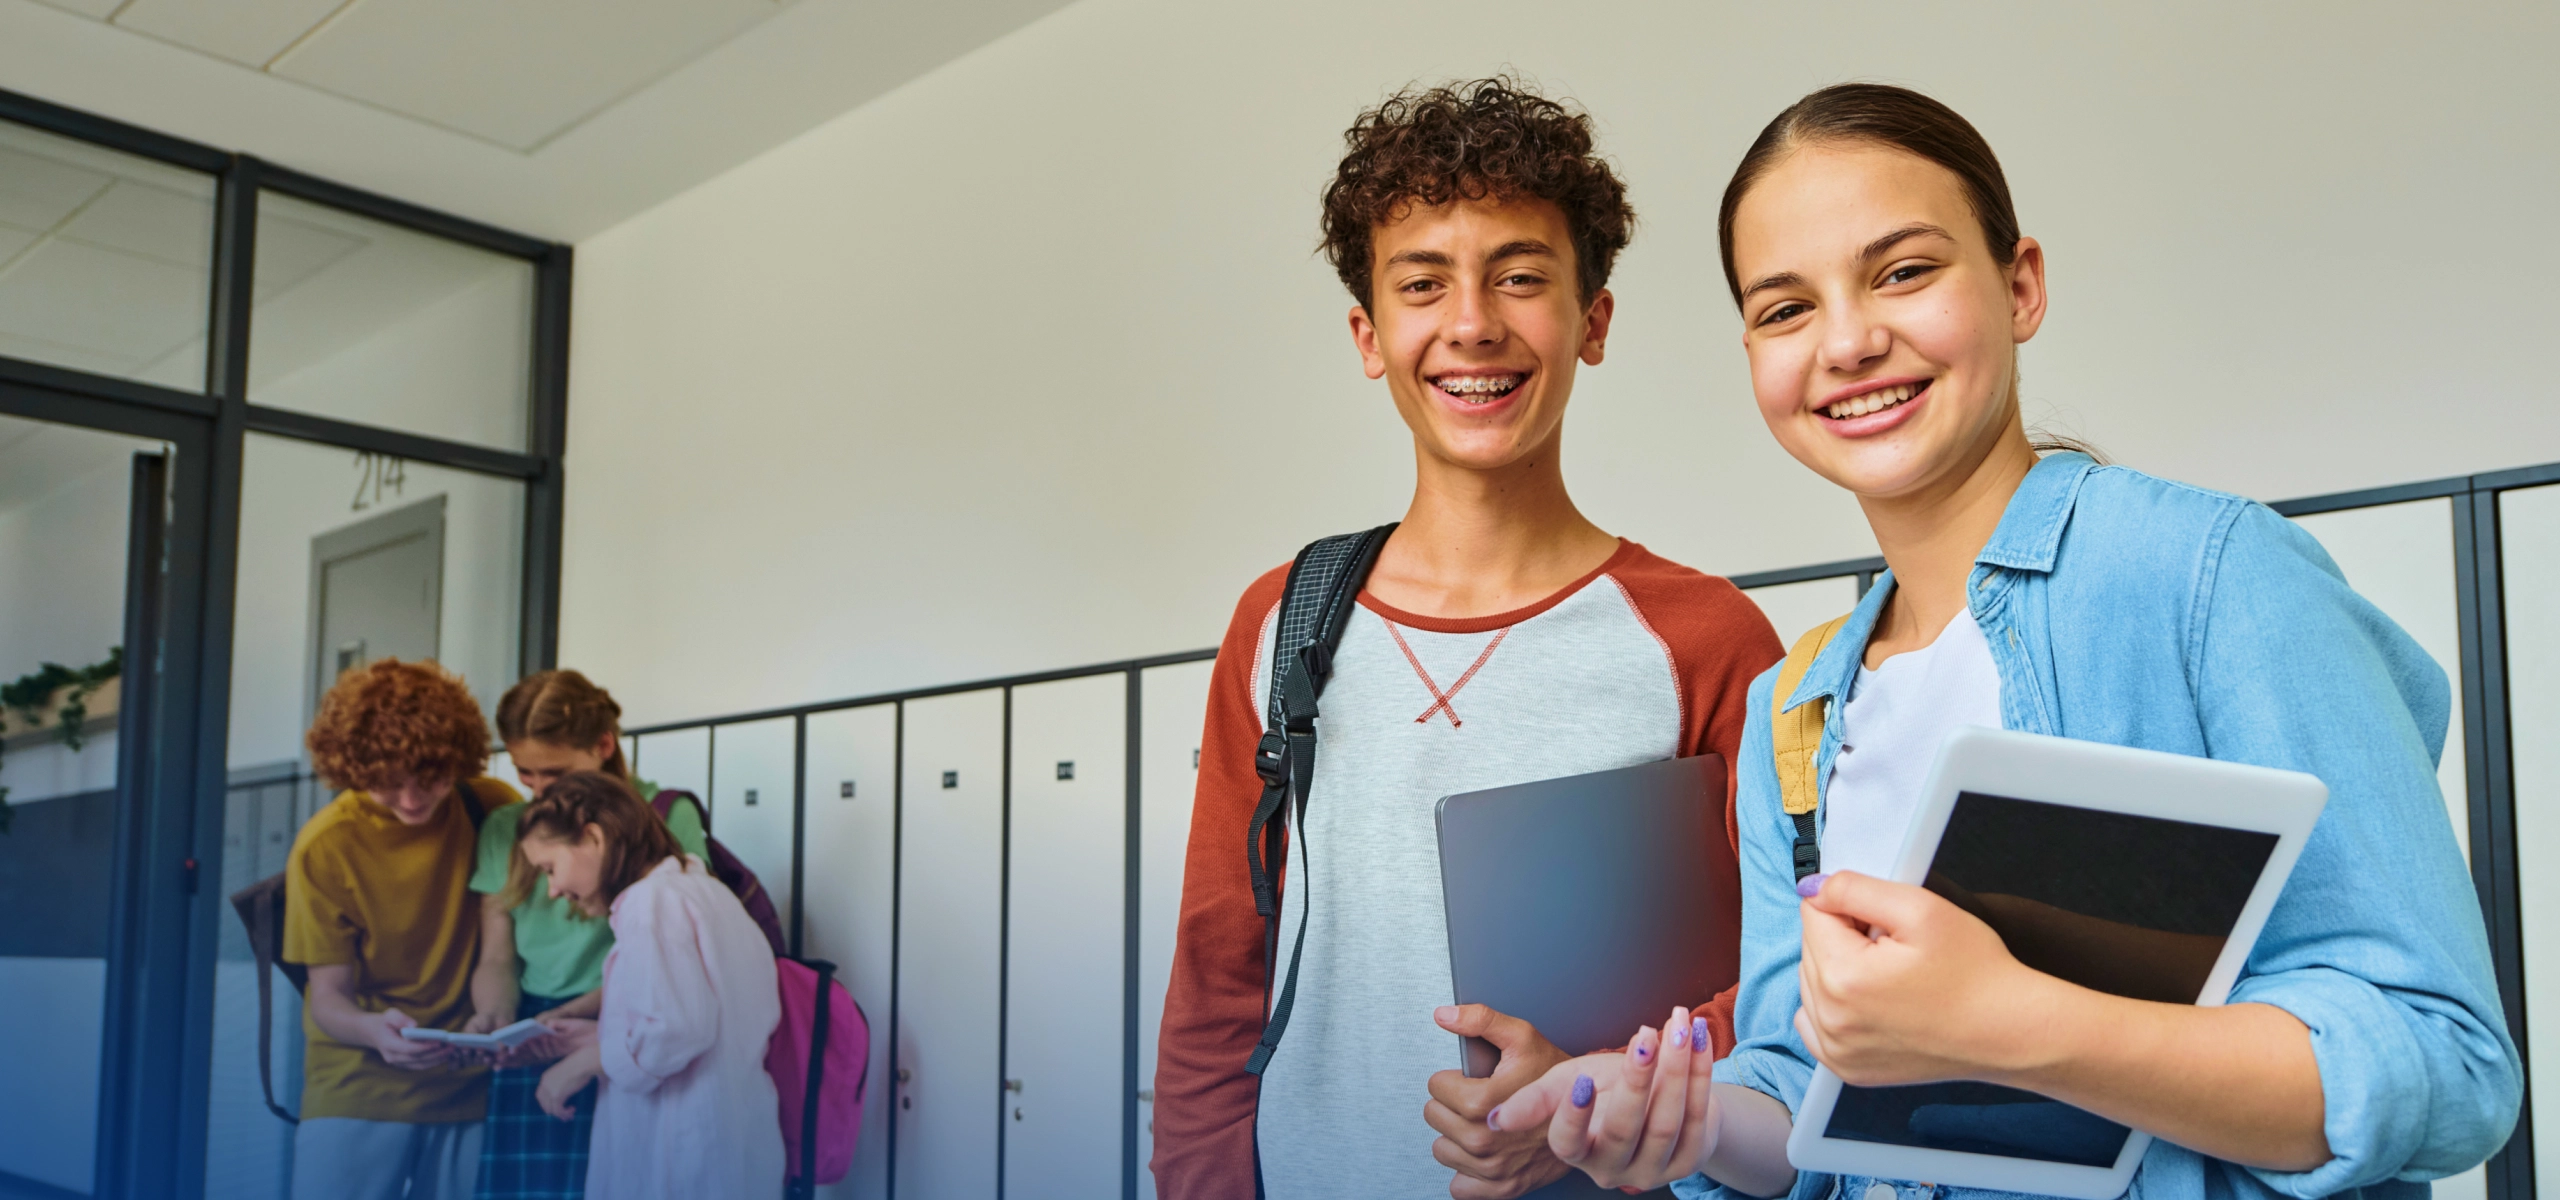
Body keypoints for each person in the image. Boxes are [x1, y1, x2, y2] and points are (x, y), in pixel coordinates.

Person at [1493, 83, 2523, 1198]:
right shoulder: (1795, 710)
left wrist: (2016, 1023)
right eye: (1785, 309)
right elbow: (1803, 1089)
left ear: (2019, 284)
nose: (1848, 341)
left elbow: (2447, 1064)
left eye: (1903, 271)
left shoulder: (2208, 577)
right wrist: (1678, 1121)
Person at [1149, 76, 1783, 1199]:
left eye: (1521, 277)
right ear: (1369, 333)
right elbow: (1217, 974)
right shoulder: (1280, 618)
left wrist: (1599, 1087)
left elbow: (1771, 981)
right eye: (1423, 283)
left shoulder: (1705, 637)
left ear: (1593, 322)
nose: (1473, 323)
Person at [466, 670, 711, 1200]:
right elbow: (497, 956)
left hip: (628, 1021)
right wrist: (495, 1017)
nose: (537, 790)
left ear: (603, 746)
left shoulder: (665, 813)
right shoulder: (505, 828)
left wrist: (577, 1014)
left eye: (552, 772)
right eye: (523, 773)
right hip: (535, 1025)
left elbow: (683, 952)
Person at [285, 659, 523, 1200]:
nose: (413, 800)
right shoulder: (325, 845)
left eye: (431, 779)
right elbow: (328, 997)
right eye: (388, 785)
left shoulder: (492, 808)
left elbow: (503, 950)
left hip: (472, 1085)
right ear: (352, 769)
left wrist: (497, 1015)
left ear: (457, 761)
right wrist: (373, 1031)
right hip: (358, 1083)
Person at [513, 770, 783, 1200]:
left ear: (594, 838)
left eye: (550, 868)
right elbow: (704, 1020)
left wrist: (579, 1066)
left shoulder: (649, 902)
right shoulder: (703, 892)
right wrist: (592, 1039)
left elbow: (678, 1029)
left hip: (682, 1157)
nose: (553, 890)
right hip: (732, 1145)